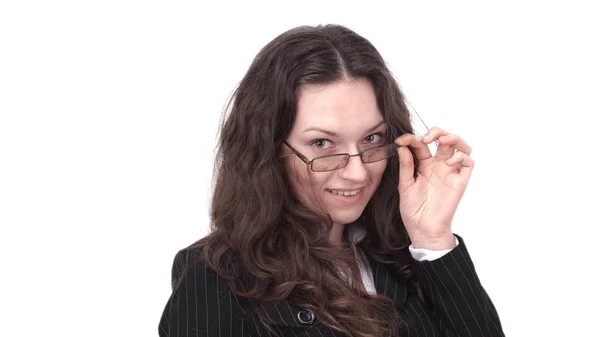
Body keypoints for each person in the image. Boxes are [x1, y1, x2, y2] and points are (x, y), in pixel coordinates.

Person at [158, 24, 505, 337]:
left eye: (371, 139)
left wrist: (433, 238)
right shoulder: (219, 276)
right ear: (269, 149)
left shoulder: (406, 255)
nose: (357, 172)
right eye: (322, 144)